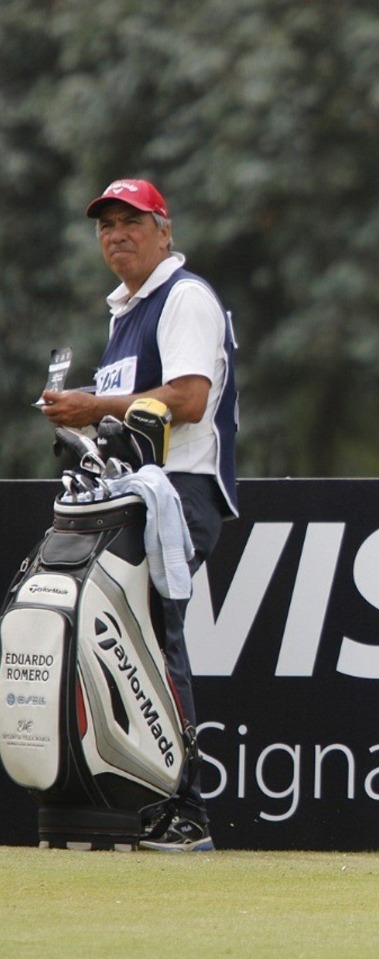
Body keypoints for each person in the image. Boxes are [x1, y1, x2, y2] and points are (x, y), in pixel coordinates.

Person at [41, 178, 239, 853]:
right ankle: (140, 800)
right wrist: (84, 412)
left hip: (182, 495)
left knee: (155, 643)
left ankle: (185, 809)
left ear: (165, 229)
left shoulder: (183, 298)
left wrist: (91, 407)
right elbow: (135, 412)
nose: (117, 233)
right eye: (106, 225)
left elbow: (185, 399)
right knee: (127, 643)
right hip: (141, 495)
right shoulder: (127, 312)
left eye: (132, 220)